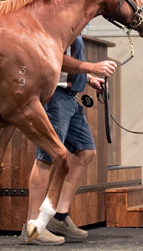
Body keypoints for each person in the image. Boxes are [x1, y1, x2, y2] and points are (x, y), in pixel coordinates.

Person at [21, 34, 118, 245]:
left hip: (69, 97)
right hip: (56, 96)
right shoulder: (60, 24)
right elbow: (55, 57)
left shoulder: (73, 24)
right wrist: (92, 67)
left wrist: (88, 79)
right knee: (46, 158)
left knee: (86, 151)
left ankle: (59, 216)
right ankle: (33, 227)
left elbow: (66, 64)